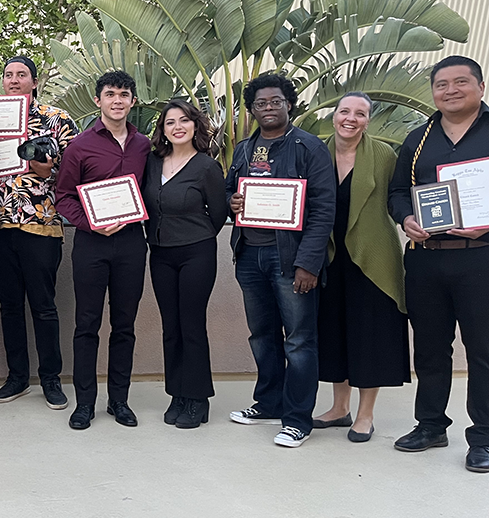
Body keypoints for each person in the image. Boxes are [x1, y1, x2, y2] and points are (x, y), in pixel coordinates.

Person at [388, 55, 489, 473]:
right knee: (430, 349)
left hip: (481, 259)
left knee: (483, 351)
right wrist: (405, 218)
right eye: (441, 84)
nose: (450, 90)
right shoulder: (418, 138)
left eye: (460, 82)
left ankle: (483, 437)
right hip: (426, 260)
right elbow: (397, 192)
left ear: (480, 87)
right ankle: (430, 424)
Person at [225, 73, 336, 448]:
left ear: (289, 103)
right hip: (249, 255)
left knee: (300, 341)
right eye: (260, 103)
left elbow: (323, 210)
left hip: (290, 259)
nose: (268, 108)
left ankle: (297, 419)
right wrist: (232, 202)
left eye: (276, 101)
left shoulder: (309, 147)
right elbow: (230, 191)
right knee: (262, 337)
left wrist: (309, 263)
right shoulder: (244, 150)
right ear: (252, 109)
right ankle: (268, 403)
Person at [55, 70, 151, 430]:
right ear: (98, 101)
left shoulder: (145, 146)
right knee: (87, 324)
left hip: (130, 243)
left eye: (124, 94)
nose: (117, 100)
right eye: (110, 94)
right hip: (92, 244)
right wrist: (90, 222)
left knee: (124, 325)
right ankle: (84, 404)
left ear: (132, 101)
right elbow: (63, 196)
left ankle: (119, 401)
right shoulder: (80, 146)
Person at [312, 92, 409, 443]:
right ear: (333, 115)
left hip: (371, 257)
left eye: (360, 113)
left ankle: (365, 414)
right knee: (334, 332)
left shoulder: (384, 155)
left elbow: (398, 197)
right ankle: (340, 408)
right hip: (327, 257)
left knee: (371, 336)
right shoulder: (315, 151)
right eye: (344, 111)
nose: (350, 118)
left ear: (369, 120)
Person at [0, 55, 78, 409]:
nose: (13, 80)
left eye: (21, 75)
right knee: (9, 307)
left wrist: (50, 169)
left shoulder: (56, 119)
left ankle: (51, 379)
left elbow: (75, 170)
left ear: (34, 81)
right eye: (8, 75)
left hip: (41, 224)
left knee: (43, 306)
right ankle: (17, 377)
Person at [142, 99, 228, 429]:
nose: (177, 127)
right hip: (160, 253)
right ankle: (177, 393)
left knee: (191, 324)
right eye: (169, 123)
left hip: (196, 253)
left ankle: (197, 398)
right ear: (162, 130)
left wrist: (194, 235)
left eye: (184, 121)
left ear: (195, 125)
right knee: (170, 326)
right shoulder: (153, 162)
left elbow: (218, 214)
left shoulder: (206, 166)